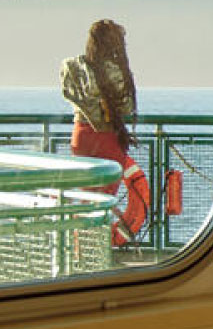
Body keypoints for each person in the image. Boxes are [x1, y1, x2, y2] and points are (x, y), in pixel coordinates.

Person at [61, 18, 149, 245]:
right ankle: (98, 253)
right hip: (108, 138)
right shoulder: (116, 71)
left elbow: (71, 96)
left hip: (81, 136)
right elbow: (126, 107)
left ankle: (79, 251)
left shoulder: (73, 67)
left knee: (86, 198)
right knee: (103, 199)